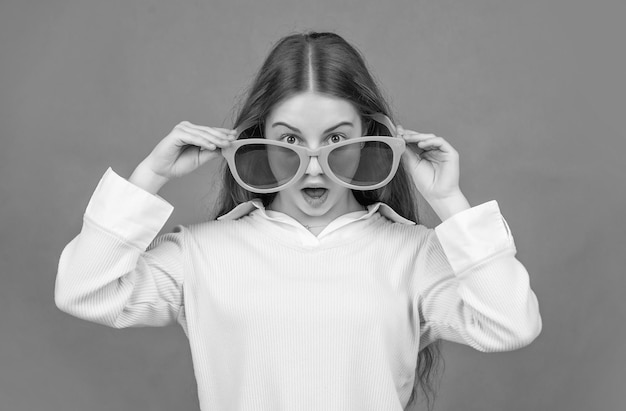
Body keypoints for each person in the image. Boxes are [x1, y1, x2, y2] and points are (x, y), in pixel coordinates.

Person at [55, 32, 542, 411]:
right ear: (259, 139)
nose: (313, 165)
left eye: (336, 139)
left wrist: (448, 200)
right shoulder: (201, 253)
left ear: (369, 138)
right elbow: (85, 290)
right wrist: (149, 177)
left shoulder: (415, 252)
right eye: (289, 140)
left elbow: (510, 325)